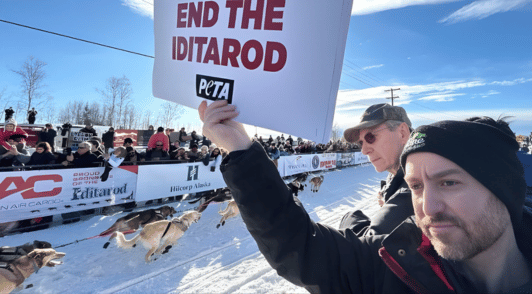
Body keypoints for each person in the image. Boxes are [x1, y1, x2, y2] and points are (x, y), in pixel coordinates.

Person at [199, 100, 532, 293]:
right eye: (415, 186)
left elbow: (323, 254)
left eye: (448, 183)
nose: (426, 208)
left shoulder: (402, 243)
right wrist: (240, 148)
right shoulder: (403, 256)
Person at [339, 103, 413, 235]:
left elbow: (366, 246)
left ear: (402, 133)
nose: (364, 150)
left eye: (370, 137)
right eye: (361, 142)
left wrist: (349, 218)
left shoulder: (418, 181)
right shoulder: (401, 172)